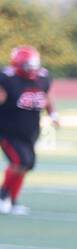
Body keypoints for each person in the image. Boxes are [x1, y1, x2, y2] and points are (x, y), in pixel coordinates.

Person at [0, 44, 57, 215]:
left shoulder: (43, 77)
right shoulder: (7, 79)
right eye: (27, 66)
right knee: (18, 162)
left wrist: (53, 114)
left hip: (30, 130)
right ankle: (3, 197)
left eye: (33, 65)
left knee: (26, 164)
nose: (31, 69)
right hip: (8, 131)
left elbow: (46, 96)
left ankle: (13, 200)